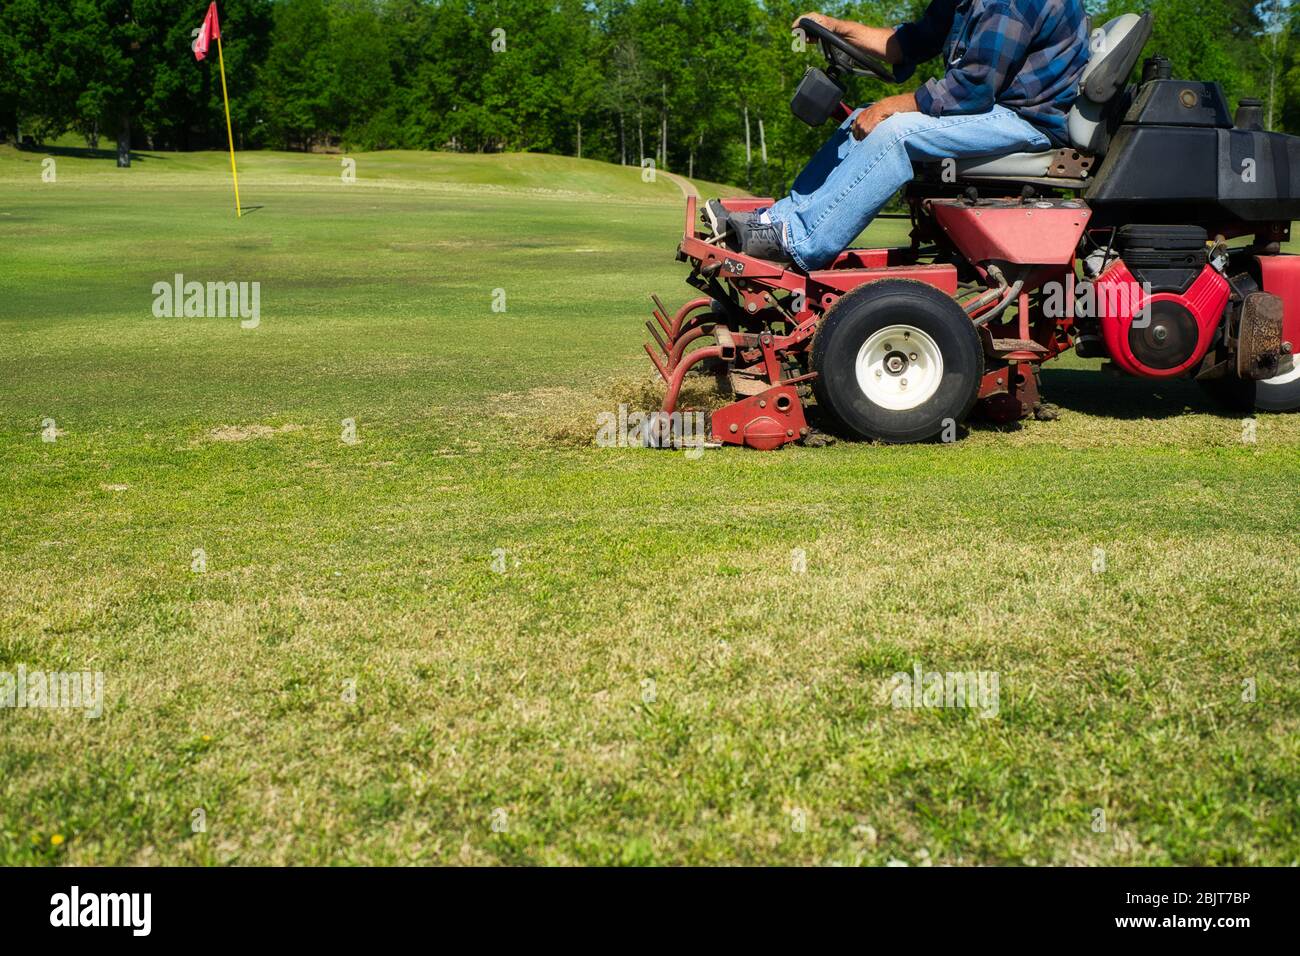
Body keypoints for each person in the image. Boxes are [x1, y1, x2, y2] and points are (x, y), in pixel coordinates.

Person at [704, 1, 1090, 270]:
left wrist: (892, 105)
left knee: (894, 131)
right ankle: (777, 221)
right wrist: (838, 28)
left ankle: (798, 242)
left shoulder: (1007, 3)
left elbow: (971, 87)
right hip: (996, 109)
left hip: (1027, 121)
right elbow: (912, 42)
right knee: (862, 118)